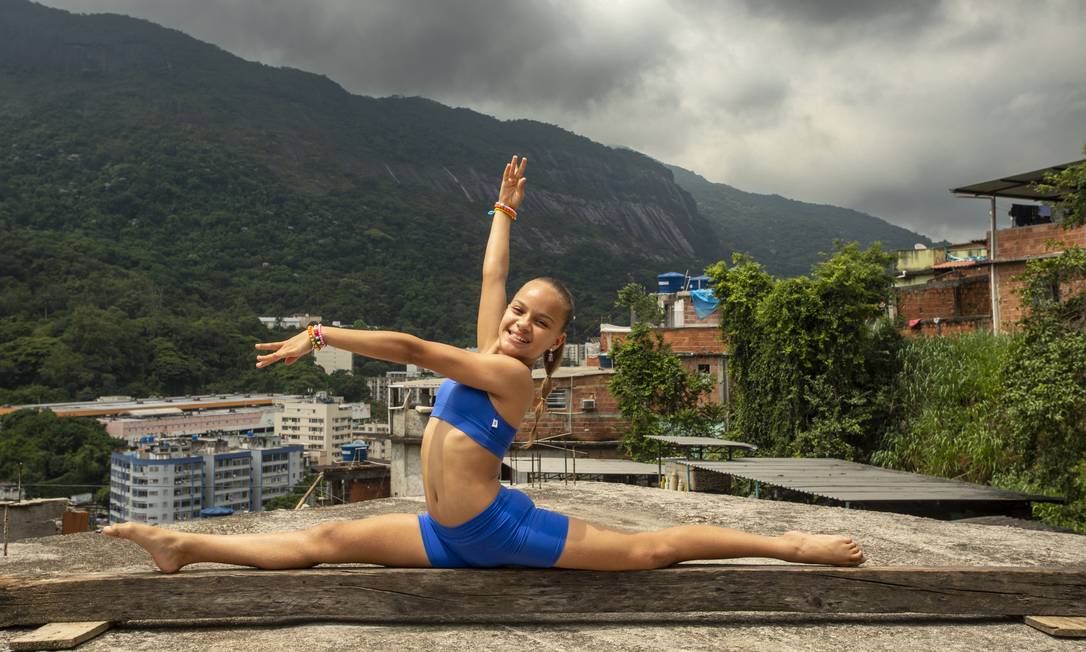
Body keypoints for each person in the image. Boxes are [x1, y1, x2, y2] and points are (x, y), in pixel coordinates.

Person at [104, 155, 865, 572]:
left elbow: (405, 349)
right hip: (442, 532)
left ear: (553, 344)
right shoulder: (487, 351)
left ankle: (792, 545)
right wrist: (504, 211)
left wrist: (322, 334)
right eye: (520, 313)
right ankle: (182, 546)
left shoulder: (508, 377)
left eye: (540, 322)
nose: (520, 322)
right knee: (324, 543)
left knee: (652, 552)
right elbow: (491, 281)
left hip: (494, 535)